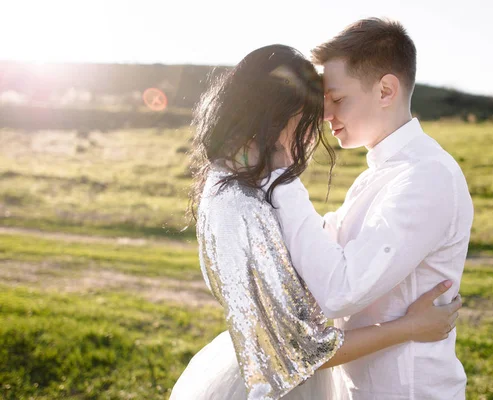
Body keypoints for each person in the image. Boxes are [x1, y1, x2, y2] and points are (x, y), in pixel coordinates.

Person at [169, 44, 462, 400]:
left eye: (334, 102)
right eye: (311, 115)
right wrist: (409, 327)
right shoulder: (239, 204)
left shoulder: (248, 186)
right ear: (277, 113)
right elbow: (299, 351)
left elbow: (320, 259)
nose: (320, 124)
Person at [270, 19, 474, 400]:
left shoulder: (427, 176)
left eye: (338, 99)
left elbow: (339, 291)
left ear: (385, 90)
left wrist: (281, 175)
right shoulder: (377, 176)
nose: (325, 114)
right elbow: (317, 257)